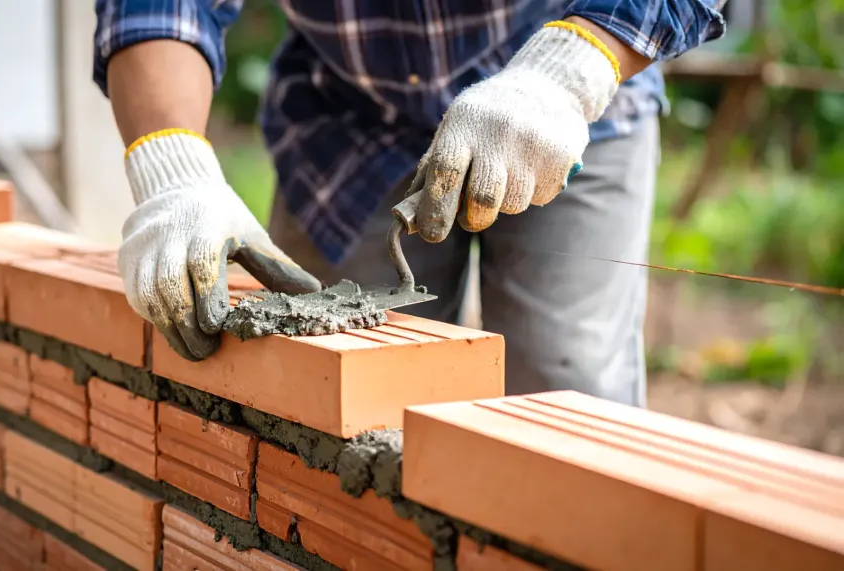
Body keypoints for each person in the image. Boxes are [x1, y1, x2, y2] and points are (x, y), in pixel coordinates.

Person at [93, 1, 727, 408]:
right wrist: (172, 165)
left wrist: (565, 73)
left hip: (569, 98)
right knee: (333, 395)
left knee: (566, 386)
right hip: (349, 119)